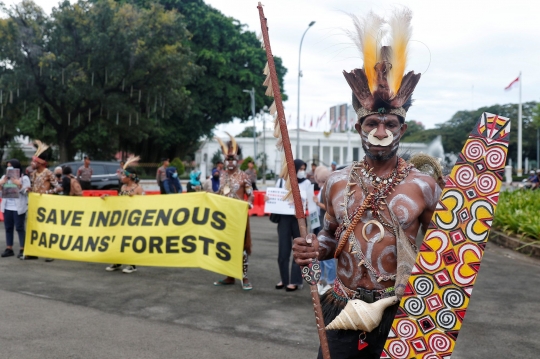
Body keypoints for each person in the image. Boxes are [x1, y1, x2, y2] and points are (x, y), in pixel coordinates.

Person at [292, 10, 441, 358]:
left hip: (402, 314)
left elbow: (441, 254)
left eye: (390, 122)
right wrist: (313, 248)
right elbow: (329, 235)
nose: (380, 131)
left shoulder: (424, 186)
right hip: (344, 307)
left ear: (402, 129)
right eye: (372, 122)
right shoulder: (337, 182)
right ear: (359, 127)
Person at [213, 133, 254, 291]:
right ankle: (229, 276)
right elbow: (219, 194)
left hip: (239, 216)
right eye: (227, 158)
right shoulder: (222, 176)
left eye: (232, 158)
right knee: (226, 245)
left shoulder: (244, 176)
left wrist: (248, 204)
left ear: (238, 160)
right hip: (224, 216)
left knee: (242, 247)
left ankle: (244, 276)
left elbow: (251, 194)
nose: (230, 161)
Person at [275, 159, 312, 292]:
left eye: (304, 168)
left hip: (299, 220)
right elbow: (275, 198)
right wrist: (269, 199)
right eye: (300, 168)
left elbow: (311, 203)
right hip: (284, 219)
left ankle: (295, 281)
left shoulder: (307, 183)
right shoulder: (282, 182)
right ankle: (284, 279)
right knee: (283, 251)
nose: (302, 171)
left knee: (300, 251)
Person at [105, 157, 144, 274]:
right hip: (121, 218)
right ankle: (117, 262)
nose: (121, 177)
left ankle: (132, 264)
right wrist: (108, 197)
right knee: (118, 240)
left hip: (132, 219)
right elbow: (119, 201)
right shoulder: (123, 187)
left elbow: (143, 204)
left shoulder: (138, 189)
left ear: (130, 177)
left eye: (123, 175)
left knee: (129, 241)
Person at [0, 159, 33, 259]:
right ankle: (9, 248)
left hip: (18, 207)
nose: (9, 168)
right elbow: (1, 194)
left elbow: (27, 192)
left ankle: (23, 248)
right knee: (8, 228)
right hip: (7, 207)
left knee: (19, 227)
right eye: (7, 167)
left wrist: (19, 184)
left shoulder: (24, 178)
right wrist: (1, 184)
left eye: (11, 166)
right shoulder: (4, 178)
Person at [312, 166, 335, 295]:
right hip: (320, 225)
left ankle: (330, 282)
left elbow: (329, 208)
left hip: (325, 227)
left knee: (327, 258)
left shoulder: (327, 189)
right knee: (319, 255)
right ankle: (321, 281)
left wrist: (317, 203)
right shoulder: (323, 187)